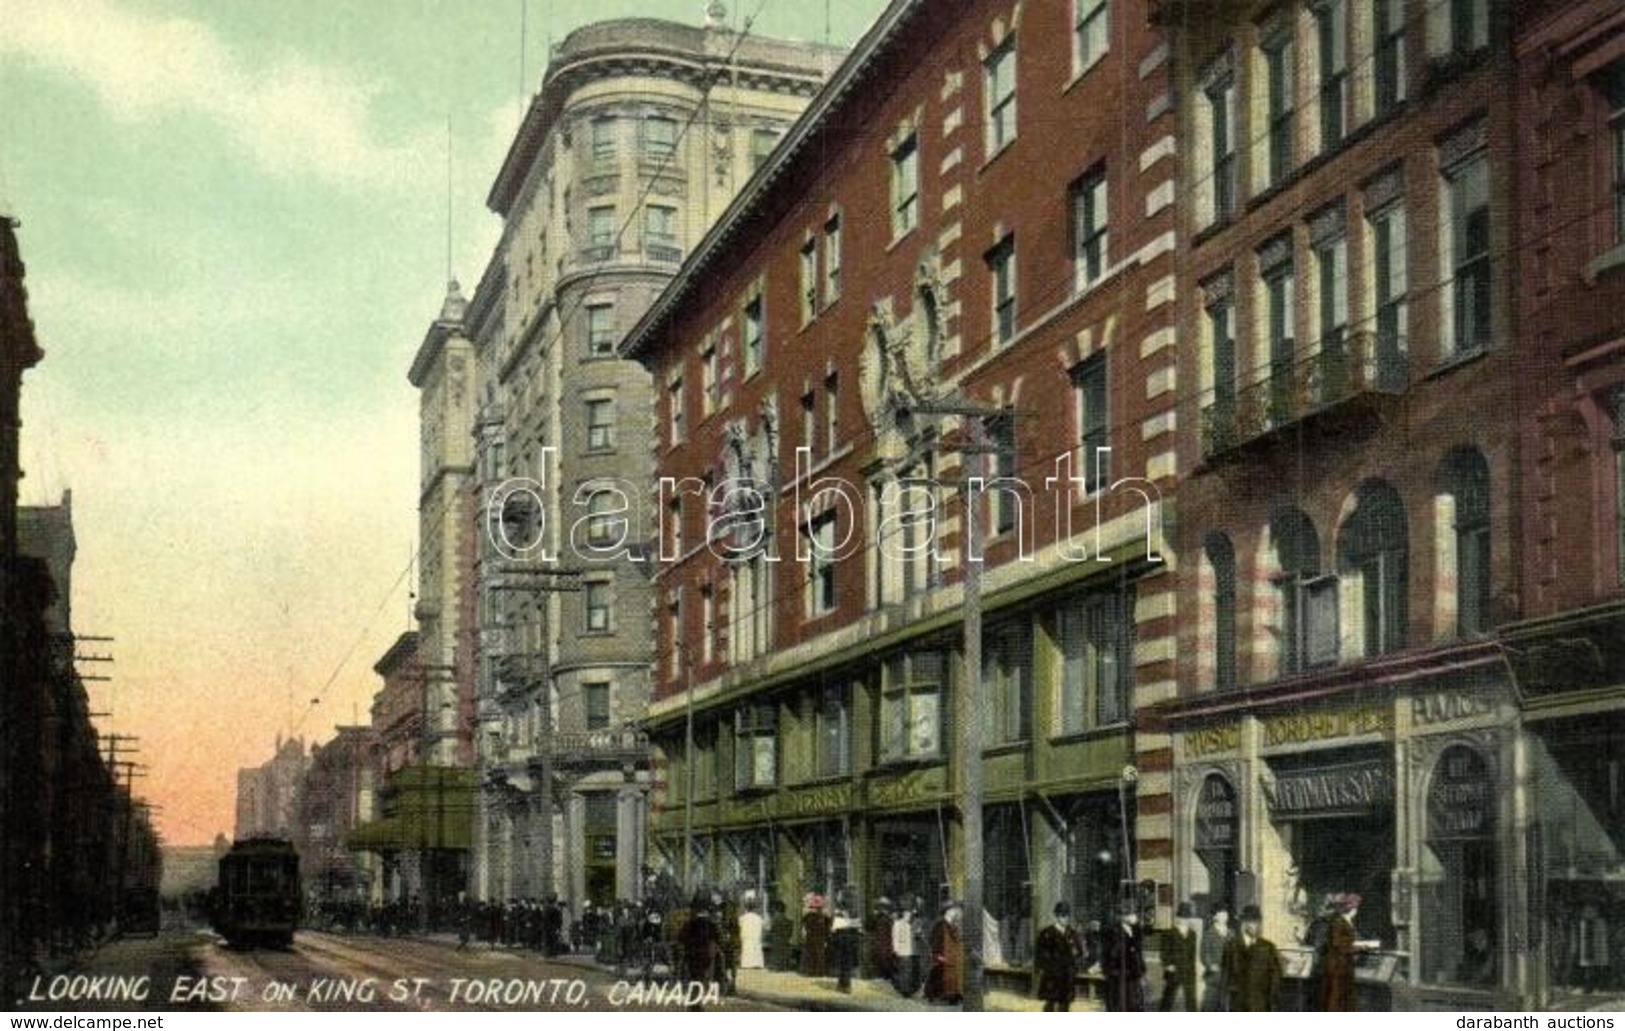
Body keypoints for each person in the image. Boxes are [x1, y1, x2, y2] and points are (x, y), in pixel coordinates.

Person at [1222, 904, 1282, 1012]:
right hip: (1237, 1006)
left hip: (1260, 1006)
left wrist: (1271, 1004)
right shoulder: (1231, 947)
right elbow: (1225, 977)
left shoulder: (1268, 948)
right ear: (1244, 923)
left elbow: (1275, 979)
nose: (1257, 926)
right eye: (1253, 922)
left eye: (1258, 922)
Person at [1034, 900, 1084, 1012]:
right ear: (1056, 916)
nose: (1066, 918)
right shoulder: (1047, 933)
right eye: (1062, 915)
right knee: (1051, 1004)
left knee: (1065, 1005)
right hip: (1053, 975)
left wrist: (1076, 954)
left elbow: (1079, 952)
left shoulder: (1072, 933)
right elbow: (1041, 955)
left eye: (1067, 915)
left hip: (1068, 975)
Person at [1100, 898, 1146, 1012]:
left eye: (1133, 913)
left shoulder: (1133, 930)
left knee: (1135, 1006)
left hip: (1133, 976)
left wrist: (1142, 971)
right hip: (1120, 977)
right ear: (1122, 916)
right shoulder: (1114, 931)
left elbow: (1139, 950)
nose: (1134, 917)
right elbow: (1116, 953)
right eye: (1131, 914)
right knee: (1121, 1007)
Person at [1318, 893, 1361, 1011]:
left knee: (1343, 995)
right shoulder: (1339, 922)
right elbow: (1337, 943)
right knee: (1337, 996)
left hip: (1344, 964)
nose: (1356, 911)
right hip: (1338, 964)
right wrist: (1356, 948)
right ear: (1351, 909)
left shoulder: (1347, 922)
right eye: (1355, 908)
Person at [677, 893, 719, 1012]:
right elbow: (716, 941)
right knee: (701, 980)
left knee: (694, 979)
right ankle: (696, 1004)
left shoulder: (689, 924)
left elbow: (680, 938)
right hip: (705, 956)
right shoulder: (711, 925)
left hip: (691, 956)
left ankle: (694, 1003)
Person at [1160, 901, 1200, 1011]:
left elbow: (1192, 953)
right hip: (1174, 969)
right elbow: (1164, 951)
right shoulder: (1169, 933)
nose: (1185, 920)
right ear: (1178, 918)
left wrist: (1193, 970)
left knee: (1191, 998)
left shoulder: (1192, 934)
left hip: (1188, 970)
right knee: (1169, 997)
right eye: (1182, 917)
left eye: (1187, 918)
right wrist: (1168, 964)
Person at [924, 902, 965, 1005]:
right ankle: (933, 996)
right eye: (952, 911)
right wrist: (938, 955)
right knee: (937, 974)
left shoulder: (950, 924)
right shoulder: (940, 924)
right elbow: (934, 940)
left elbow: (956, 938)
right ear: (947, 912)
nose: (954, 913)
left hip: (950, 956)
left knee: (950, 976)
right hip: (941, 955)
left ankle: (952, 996)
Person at [1199, 905, 1231, 1011]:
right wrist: (1210, 965)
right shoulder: (1209, 933)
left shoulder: (1231, 933)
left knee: (1225, 1006)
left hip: (1228, 976)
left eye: (1226, 914)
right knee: (1210, 1006)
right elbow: (1204, 953)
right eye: (1221, 914)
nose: (1225, 916)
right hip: (1214, 977)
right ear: (1215, 917)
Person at [892, 897, 923, 997]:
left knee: (913, 970)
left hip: (914, 950)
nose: (909, 915)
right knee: (905, 971)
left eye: (910, 913)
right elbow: (895, 937)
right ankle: (905, 990)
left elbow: (919, 936)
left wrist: (919, 934)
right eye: (907, 913)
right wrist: (896, 949)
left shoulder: (914, 924)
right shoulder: (898, 924)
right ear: (903, 914)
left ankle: (912, 988)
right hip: (904, 951)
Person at [831, 889, 862, 992]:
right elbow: (857, 926)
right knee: (846, 963)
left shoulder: (841, 910)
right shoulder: (853, 911)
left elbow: (836, 926)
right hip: (848, 939)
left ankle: (844, 984)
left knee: (844, 963)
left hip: (844, 938)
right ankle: (844, 984)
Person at [801, 894, 831, 977]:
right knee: (820, 955)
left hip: (811, 937)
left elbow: (805, 927)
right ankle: (819, 972)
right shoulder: (825, 917)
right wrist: (827, 938)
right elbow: (828, 929)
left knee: (811, 954)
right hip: (820, 938)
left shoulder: (808, 916)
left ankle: (810, 972)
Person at [868, 897, 897, 982]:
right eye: (880, 906)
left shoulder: (888, 918)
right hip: (880, 940)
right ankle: (882, 975)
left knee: (885, 957)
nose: (881, 908)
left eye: (883, 906)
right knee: (879, 956)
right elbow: (872, 927)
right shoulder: (878, 917)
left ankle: (887, 976)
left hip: (886, 941)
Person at [738, 892, 766, 970]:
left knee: (746, 950)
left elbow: (739, 926)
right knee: (756, 950)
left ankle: (746, 964)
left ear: (746, 909)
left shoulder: (742, 918)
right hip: (756, 937)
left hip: (746, 937)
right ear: (754, 908)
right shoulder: (759, 918)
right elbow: (763, 927)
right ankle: (757, 964)